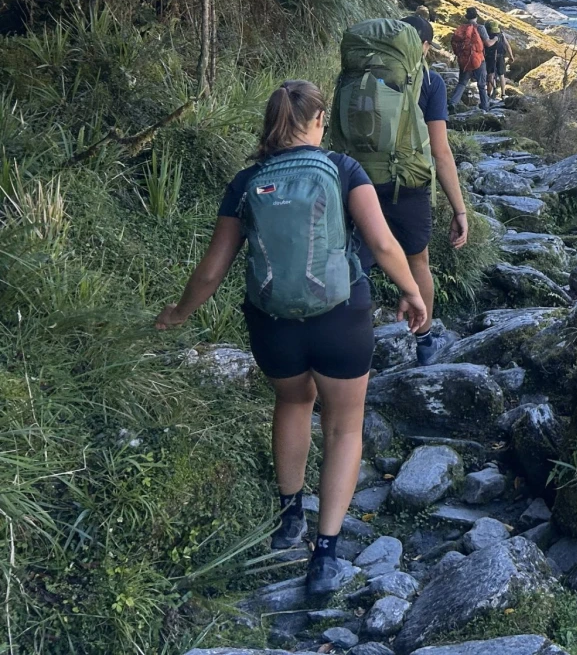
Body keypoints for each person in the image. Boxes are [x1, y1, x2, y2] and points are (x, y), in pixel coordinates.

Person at [154, 81, 427, 596]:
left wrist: (177, 314)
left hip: (272, 323)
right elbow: (383, 243)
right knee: (344, 429)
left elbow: (213, 270)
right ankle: (324, 556)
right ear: (319, 120)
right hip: (341, 319)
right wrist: (411, 292)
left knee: (293, 403)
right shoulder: (344, 169)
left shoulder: (247, 180)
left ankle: (289, 518)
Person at [376, 13, 470, 365]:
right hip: (409, 185)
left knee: (355, 259)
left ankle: (343, 337)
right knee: (418, 261)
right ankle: (425, 342)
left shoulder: (361, 76)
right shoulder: (430, 83)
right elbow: (440, 151)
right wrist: (459, 209)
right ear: (425, 47)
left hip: (358, 181)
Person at [449, 7, 495, 112]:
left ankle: (452, 103)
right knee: (482, 85)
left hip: (464, 59)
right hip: (478, 60)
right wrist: (495, 39)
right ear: (476, 16)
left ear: (466, 17)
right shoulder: (480, 28)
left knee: (462, 83)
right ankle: (485, 107)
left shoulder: (462, 28)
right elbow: (488, 43)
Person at [484, 20, 512, 102]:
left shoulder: (487, 34)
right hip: (501, 57)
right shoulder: (501, 34)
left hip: (490, 57)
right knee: (501, 75)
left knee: (490, 74)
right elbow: (507, 45)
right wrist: (511, 55)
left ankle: (489, 94)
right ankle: (503, 94)